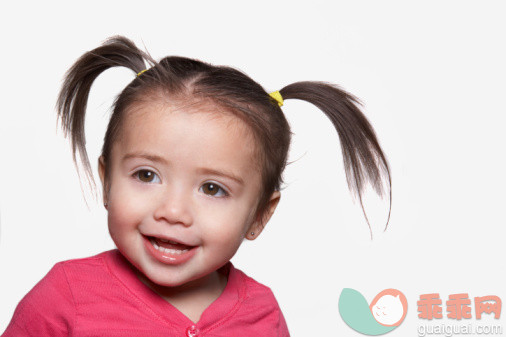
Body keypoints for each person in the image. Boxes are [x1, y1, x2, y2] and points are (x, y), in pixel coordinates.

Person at [2, 36, 391, 336]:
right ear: (106, 182)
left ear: (259, 214)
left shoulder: (262, 313)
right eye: (146, 175)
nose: (172, 211)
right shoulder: (66, 296)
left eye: (212, 189)